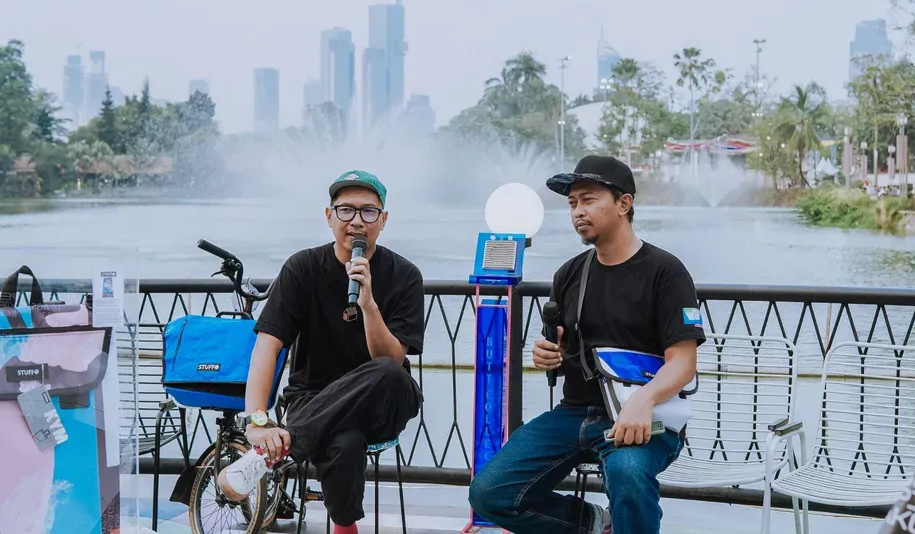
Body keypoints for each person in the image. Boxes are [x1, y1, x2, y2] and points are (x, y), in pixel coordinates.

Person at [468, 155, 705, 534]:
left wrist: (643, 401)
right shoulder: (570, 274)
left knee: (628, 473)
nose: (578, 211)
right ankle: (597, 523)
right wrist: (550, 355)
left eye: (589, 200)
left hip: (647, 415)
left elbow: (682, 362)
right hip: (575, 413)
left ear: (624, 204)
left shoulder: (666, 272)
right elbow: (564, 350)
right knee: (489, 493)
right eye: (572, 203)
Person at [217, 170, 425, 534]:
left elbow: (391, 358)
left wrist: (368, 304)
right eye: (346, 210)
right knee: (345, 440)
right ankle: (345, 528)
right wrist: (257, 420)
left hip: (384, 400)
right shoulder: (302, 268)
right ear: (329, 216)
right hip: (312, 398)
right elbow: (267, 346)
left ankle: (270, 456)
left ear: (383, 220)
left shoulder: (405, 275)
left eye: (368, 212)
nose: (357, 221)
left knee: (388, 371)